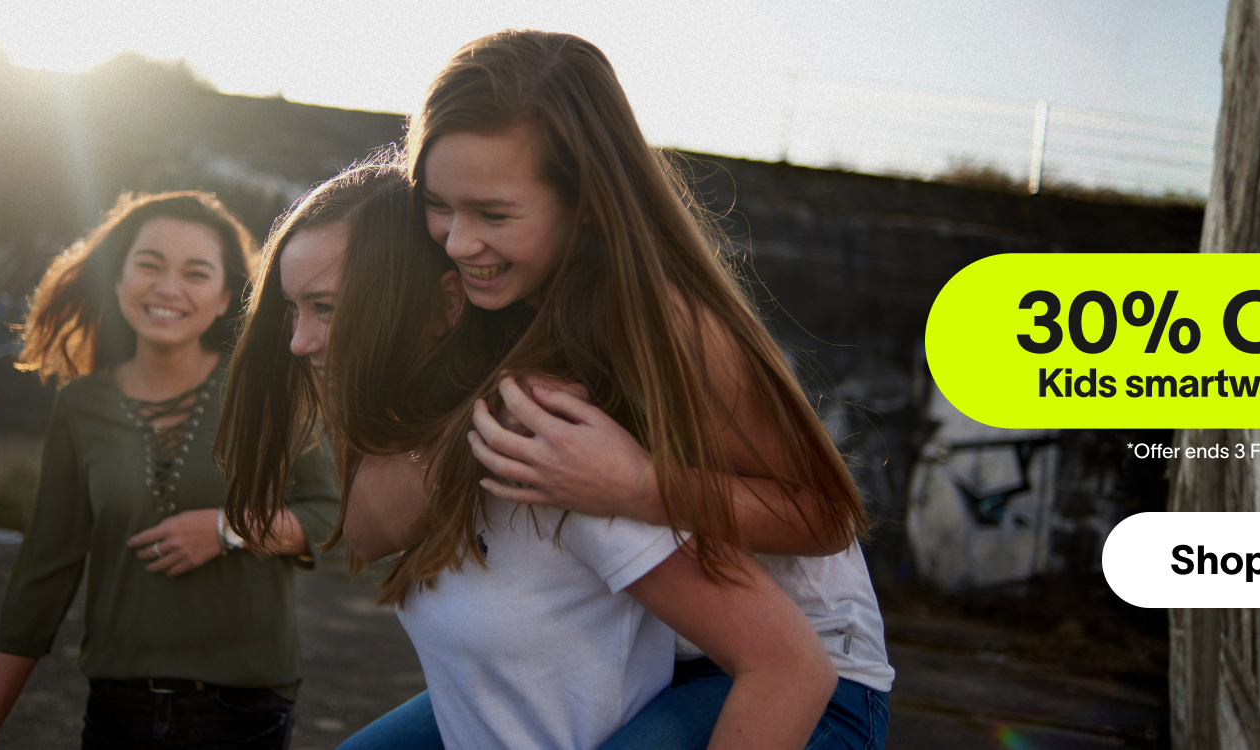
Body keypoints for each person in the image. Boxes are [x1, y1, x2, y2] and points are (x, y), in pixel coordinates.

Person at [362, 29, 897, 749]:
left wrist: (641, 485)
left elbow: (824, 515)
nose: (458, 242)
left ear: (585, 200)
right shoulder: (495, 298)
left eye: (493, 215)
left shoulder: (674, 327)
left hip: (801, 674)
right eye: (439, 205)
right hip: (630, 650)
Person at [224, 149, 833, 750]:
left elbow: (790, 662)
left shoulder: (564, 448)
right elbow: (366, 530)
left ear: (444, 305)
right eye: (294, 310)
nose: (299, 342)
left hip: (808, 673)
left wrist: (509, 424)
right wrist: (478, 423)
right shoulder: (458, 426)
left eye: (327, 308)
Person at [0, 191, 339, 750]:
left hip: (242, 710)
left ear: (226, 297)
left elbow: (330, 516)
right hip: (118, 708)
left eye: (196, 273)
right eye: (149, 265)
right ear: (118, 280)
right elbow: (45, 568)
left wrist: (227, 529)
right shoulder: (81, 406)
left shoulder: (267, 390)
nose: (168, 288)